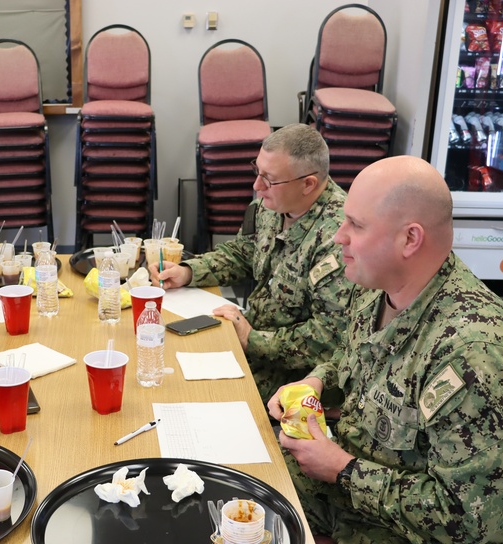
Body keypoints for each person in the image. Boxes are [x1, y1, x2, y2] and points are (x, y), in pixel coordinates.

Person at [267, 156, 503, 544]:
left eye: (356, 225)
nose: (337, 236)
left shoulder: (473, 354)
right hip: (363, 480)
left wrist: (343, 470)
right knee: (245, 489)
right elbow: (350, 358)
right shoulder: (382, 290)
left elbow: (469, 519)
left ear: (410, 240)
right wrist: (314, 381)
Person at [151, 124, 353, 403]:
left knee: (188, 394)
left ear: (308, 184)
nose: (257, 186)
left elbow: (328, 337)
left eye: (269, 179)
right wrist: (188, 272)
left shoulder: (339, 239)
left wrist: (252, 339)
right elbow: (243, 254)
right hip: (249, 338)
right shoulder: (271, 206)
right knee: (161, 362)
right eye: (257, 171)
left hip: (291, 375)